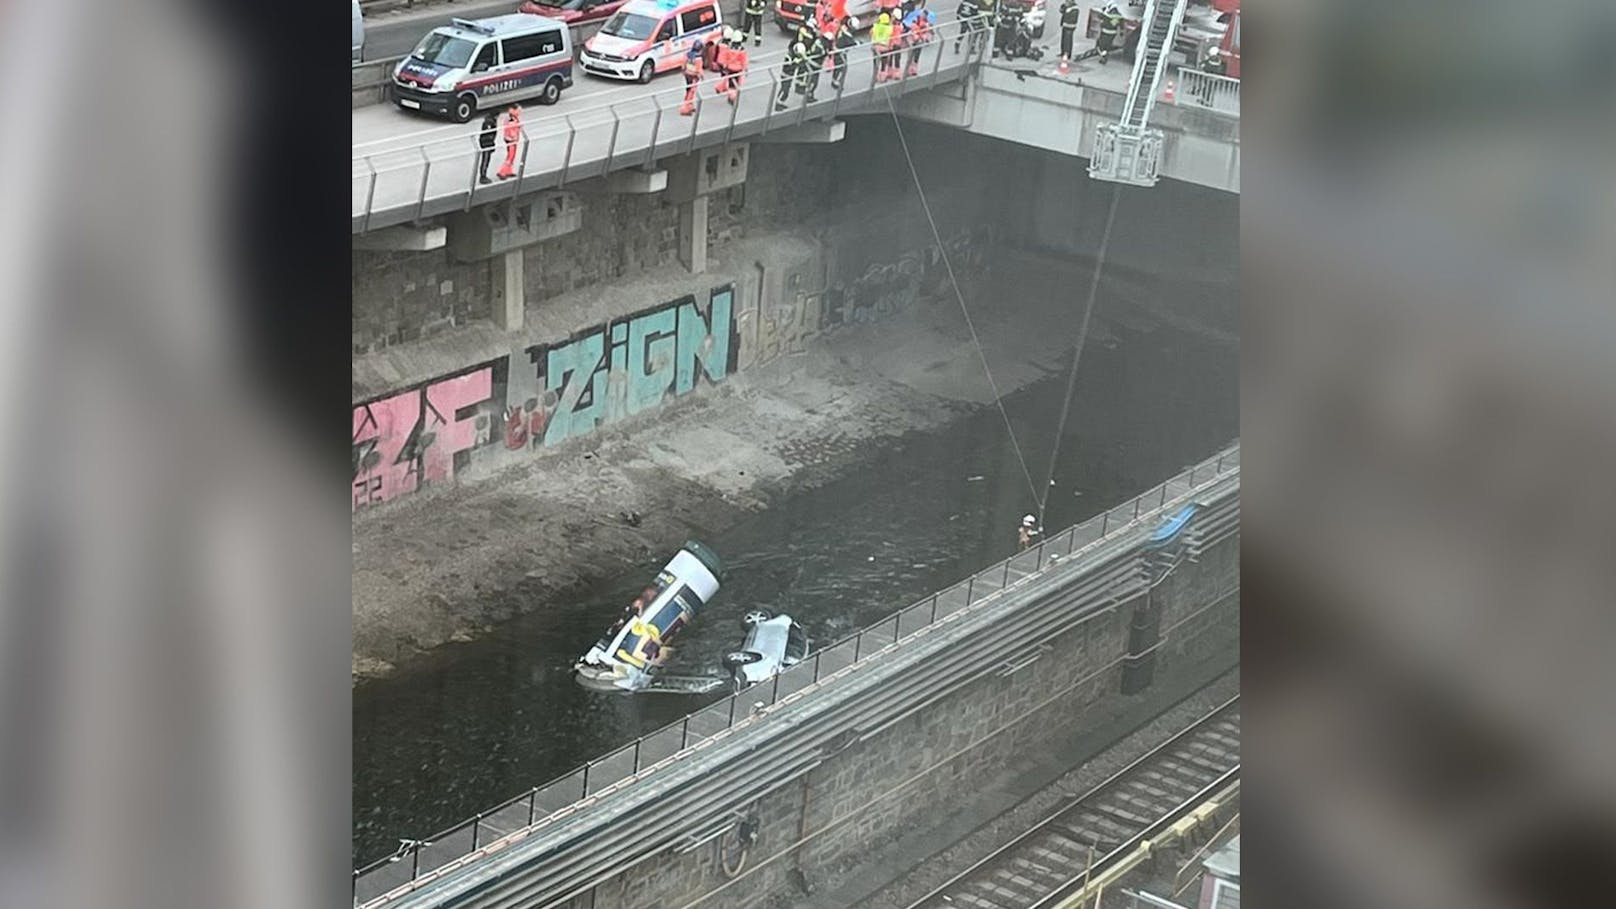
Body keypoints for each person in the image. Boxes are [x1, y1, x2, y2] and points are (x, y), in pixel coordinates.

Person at [776, 41, 810, 110]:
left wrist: (802, 60)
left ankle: (781, 102)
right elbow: (787, 68)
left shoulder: (795, 55)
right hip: (786, 75)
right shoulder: (789, 57)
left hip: (790, 75)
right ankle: (778, 104)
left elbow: (804, 59)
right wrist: (795, 64)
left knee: (786, 89)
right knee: (784, 90)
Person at [828, 15, 858, 90]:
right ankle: (836, 82)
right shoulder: (846, 33)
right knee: (841, 67)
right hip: (840, 52)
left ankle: (836, 81)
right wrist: (858, 43)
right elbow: (851, 42)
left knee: (840, 67)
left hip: (838, 50)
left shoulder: (842, 28)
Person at [902, 7, 934, 77]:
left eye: (924, 15)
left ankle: (913, 69)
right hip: (914, 40)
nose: (923, 15)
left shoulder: (925, 23)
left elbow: (925, 32)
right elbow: (913, 29)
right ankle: (910, 69)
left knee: (916, 55)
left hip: (919, 41)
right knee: (911, 55)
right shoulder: (917, 20)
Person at [494, 104, 522, 179]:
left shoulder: (513, 118)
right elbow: (511, 129)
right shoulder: (511, 119)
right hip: (511, 140)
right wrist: (514, 136)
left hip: (513, 140)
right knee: (510, 156)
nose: (520, 112)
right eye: (518, 111)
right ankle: (502, 172)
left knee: (512, 156)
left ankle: (508, 171)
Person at [801, 27, 829, 101]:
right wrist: (825, 53)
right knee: (813, 82)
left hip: (813, 65)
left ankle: (809, 95)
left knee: (811, 82)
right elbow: (819, 54)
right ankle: (808, 96)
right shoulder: (820, 47)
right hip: (813, 65)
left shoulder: (818, 42)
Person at [680, 40, 705, 116]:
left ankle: (690, 105)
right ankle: (685, 108)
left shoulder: (687, 54)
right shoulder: (698, 58)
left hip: (687, 74)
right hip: (694, 76)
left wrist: (683, 71)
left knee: (688, 90)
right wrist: (702, 76)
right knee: (691, 91)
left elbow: (683, 64)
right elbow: (699, 68)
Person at [475, 110, 498, 184]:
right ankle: (483, 176)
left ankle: (483, 175)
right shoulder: (489, 123)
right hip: (486, 144)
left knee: (486, 160)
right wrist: (491, 143)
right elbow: (489, 134)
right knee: (485, 160)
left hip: (487, 143)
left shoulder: (490, 121)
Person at [870, 13, 895, 82]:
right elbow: (891, 36)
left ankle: (875, 76)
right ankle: (883, 77)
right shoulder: (889, 28)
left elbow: (871, 33)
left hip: (875, 46)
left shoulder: (875, 26)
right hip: (884, 47)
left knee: (876, 62)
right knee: (884, 63)